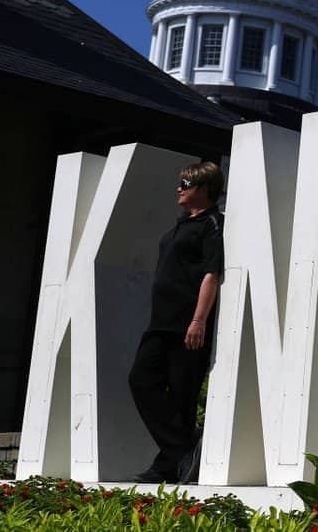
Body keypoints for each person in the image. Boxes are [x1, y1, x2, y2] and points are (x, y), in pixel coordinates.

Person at [128, 161, 225, 484]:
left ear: (204, 188)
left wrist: (199, 320)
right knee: (141, 380)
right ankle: (183, 446)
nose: (179, 189)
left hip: (188, 324)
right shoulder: (180, 226)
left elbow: (211, 274)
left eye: (185, 184)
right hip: (160, 322)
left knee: (183, 395)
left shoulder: (212, 224)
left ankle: (168, 464)